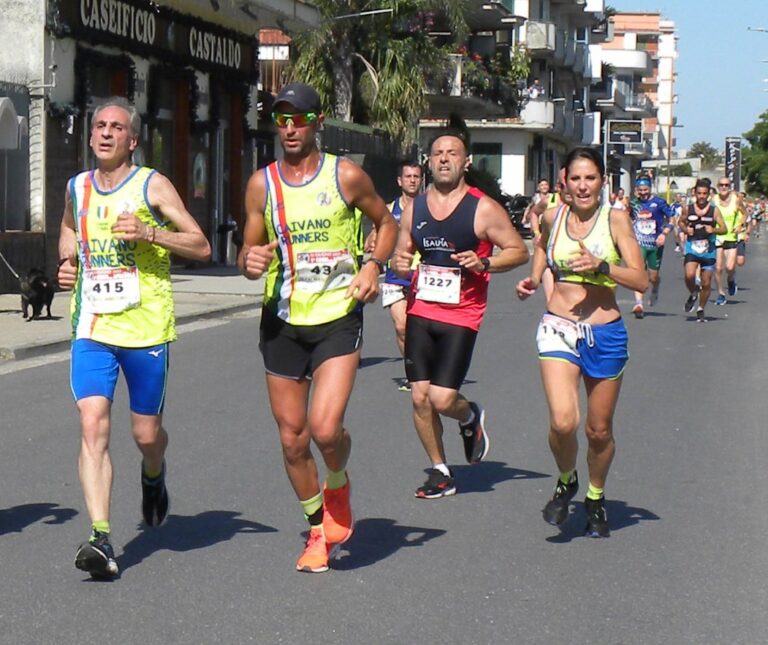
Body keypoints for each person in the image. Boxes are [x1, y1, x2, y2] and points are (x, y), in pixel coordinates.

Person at [239, 82, 396, 573]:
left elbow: (386, 224)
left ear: (317, 121)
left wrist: (372, 265)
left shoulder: (345, 175)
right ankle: (315, 531)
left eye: (298, 118)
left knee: (326, 430)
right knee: (291, 438)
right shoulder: (261, 184)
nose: (289, 128)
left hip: (336, 315)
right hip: (282, 320)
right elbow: (248, 252)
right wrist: (251, 259)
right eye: (281, 119)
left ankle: (338, 480)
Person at [57, 97, 212, 578]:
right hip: (93, 326)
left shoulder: (152, 185)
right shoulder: (77, 188)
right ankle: (101, 538)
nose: (105, 133)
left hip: (145, 326)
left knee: (146, 435)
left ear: (133, 140)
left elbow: (202, 245)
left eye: (116, 127)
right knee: (92, 424)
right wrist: (67, 261)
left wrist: (149, 232)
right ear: (90, 135)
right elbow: (68, 228)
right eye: (99, 125)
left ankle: (153, 472)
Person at [516, 147, 648, 537]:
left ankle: (594, 494)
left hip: (605, 332)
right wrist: (534, 276)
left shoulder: (617, 220)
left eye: (590, 178)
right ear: (565, 182)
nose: (583, 186)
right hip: (558, 326)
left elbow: (642, 280)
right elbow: (541, 245)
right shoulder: (553, 216)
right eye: (576, 178)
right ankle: (566, 477)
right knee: (562, 421)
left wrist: (603, 267)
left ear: (602, 182)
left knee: (598, 431)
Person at [392, 126, 529, 499]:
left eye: (452, 153)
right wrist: (400, 264)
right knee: (419, 396)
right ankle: (440, 470)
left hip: (461, 314)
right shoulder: (415, 208)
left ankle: (469, 417)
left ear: (465, 162)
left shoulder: (482, 207)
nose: (444, 159)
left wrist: (485, 264)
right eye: (438, 153)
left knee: (441, 398)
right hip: (421, 309)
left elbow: (519, 251)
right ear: (429, 162)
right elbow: (402, 256)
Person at [365, 161, 423, 392]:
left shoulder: (428, 206)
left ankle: (429, 367)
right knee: (401, 327)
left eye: (416, 177)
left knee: (424, 328)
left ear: (421, 180)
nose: (411, 180)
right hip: (395, 276)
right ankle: (414, 373)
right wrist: (371, 240)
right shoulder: (389, 210)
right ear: (399, 181)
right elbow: (377, 232)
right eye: (407, 176)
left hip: (424, 276)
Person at [680, 179, 728, 322]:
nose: (701, 196)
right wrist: (685, 229)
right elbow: (681, 222)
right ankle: (694, 291)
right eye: (699, 193)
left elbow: (724, 228)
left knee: (706, 283)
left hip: (708, 250)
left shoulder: (714, 210)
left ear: (709, 195)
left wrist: (713, 229)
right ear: (695, 193)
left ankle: (701, 308)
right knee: (689, 275)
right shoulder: (688, 208)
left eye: (704, 194)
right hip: (692, 247)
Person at [629, 177, 674, 318]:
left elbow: (672, 219)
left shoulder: (659, 202)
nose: (643, 193)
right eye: (640, 190)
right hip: (639, 243)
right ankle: (638, 303)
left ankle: (655, 287)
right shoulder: (633, 203)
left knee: (653, 276)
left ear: (650, 189)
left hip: (655, 244)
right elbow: (628, 219)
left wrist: (665, 233)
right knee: (638, 272)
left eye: (645, 190)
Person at [712, 177, 745, 305]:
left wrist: (740, 225)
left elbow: (745, 214)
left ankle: (731, 280)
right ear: (718, 186)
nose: (724, 187)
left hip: (731, 236)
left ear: (729, 186)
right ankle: (721, 293)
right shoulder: (713, 200)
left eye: (726, 185)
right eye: (721, 185)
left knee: (730, 267)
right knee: (718, 268)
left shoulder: (736, 200)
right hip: (718, 236)